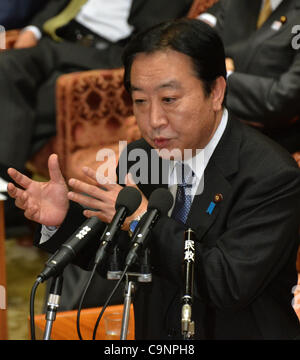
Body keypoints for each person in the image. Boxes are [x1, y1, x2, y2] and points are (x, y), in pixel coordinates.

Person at [7, 19, 300, 340]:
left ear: (215, 92)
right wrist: (63, 219)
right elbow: (118, 258)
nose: (154, 121)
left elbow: (227, 283)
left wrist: (142, 221)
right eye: (140, 102)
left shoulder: (272, 175)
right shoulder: (141, 157)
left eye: (169, 100)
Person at [0, 0, 193, 190]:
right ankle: (8, 190)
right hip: (61, 37)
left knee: (31, 102)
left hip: (106, 51)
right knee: (6, 64)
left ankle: (5, 185)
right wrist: (32, 30)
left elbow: (151, 38)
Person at [198, 0, 300, 155]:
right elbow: (200, 56)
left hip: (266, 145)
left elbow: (283, 97)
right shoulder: (235, 3)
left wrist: (225, 75)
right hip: (209, 125)